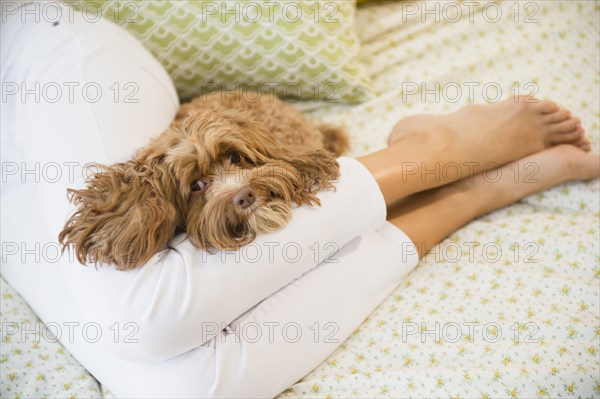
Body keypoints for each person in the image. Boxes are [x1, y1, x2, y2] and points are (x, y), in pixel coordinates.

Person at [2, 2, 598, 398]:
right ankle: (465, 195)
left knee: (138, 316)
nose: (232, 190)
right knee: (176, 389)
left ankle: (425, 153)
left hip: (40, 67)